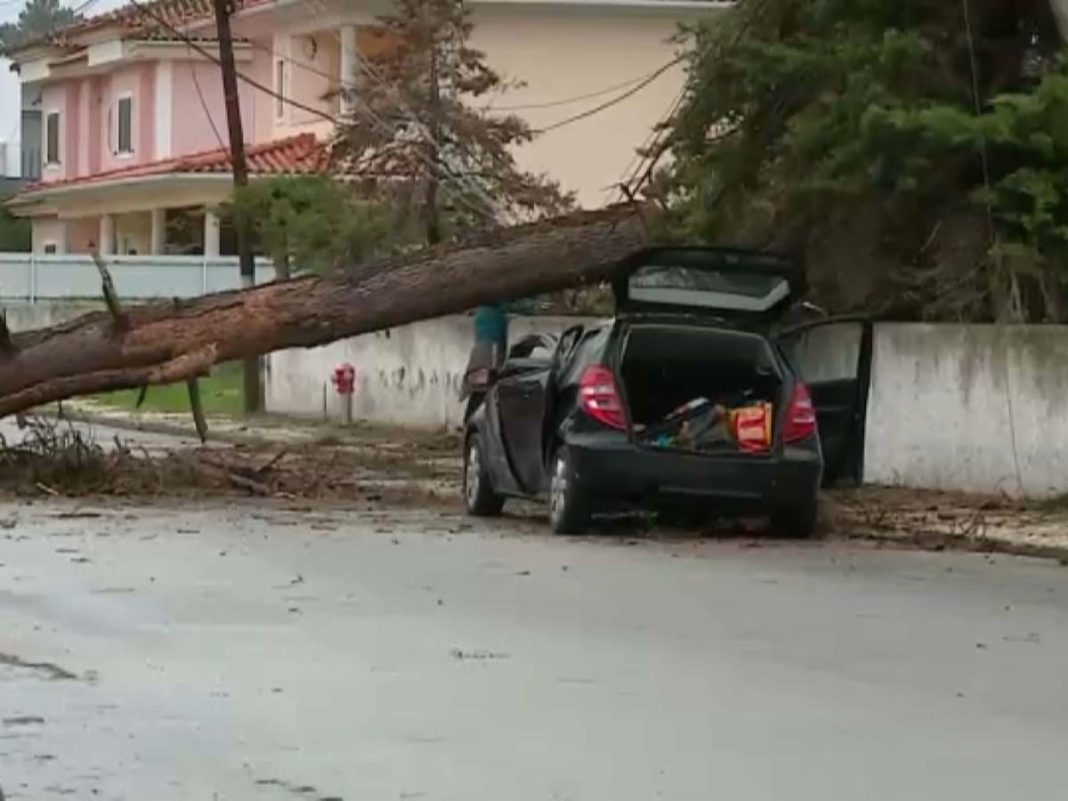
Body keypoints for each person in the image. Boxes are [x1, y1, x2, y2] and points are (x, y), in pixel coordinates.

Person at [460, 303, 509, 421]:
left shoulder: (482, 310)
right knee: (486, 388)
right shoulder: (496, 313)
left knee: (479, 388)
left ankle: (469, 419)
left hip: (482, 349)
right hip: (492, 349)